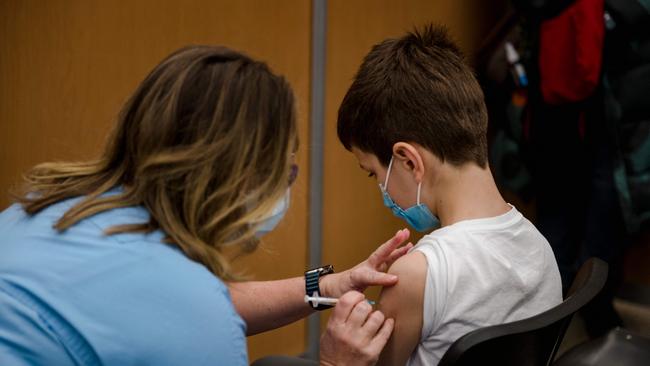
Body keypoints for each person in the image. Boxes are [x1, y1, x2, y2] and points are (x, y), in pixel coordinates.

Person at [0, 45, 412, 365]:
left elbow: (169, 303)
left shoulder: (47, 207)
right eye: (284, 174)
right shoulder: (193, 319)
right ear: (241, 178)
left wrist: (323, 288)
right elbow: (187, 310)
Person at [336, 25, 563, 365]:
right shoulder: (541, 249)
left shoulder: (417, 276)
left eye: (374, 174)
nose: (380, 189)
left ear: (408, 160)